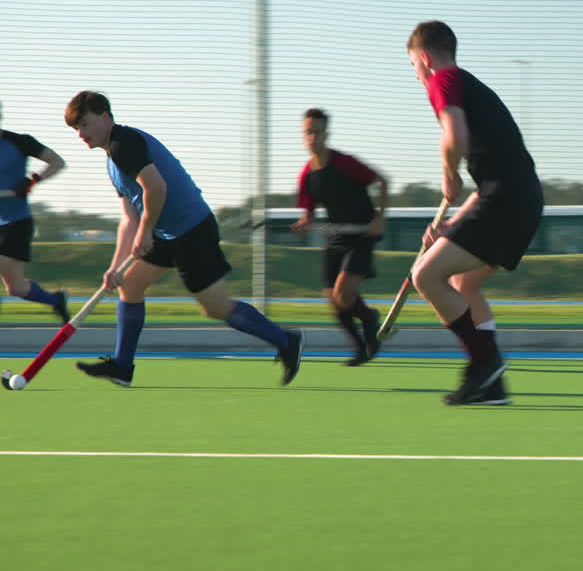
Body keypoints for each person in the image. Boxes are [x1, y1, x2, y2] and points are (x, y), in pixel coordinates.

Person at [64, 91, 304, 387]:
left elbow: (157, 188)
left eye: (84, 124)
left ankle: (286, 341)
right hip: (165, 232)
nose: (80, 134)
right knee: (130, 284)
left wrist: (146, 232)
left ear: (104, 116)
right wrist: (115, 267)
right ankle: (122, 366)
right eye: (76, 129)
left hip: (192, 230)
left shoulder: (124, 144)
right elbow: (129, 218)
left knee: (216, 308)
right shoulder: (112, 161)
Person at [406, 20, 543, 405]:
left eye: (413, 66)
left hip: (506, 200)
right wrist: (452, 224)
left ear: (425, 59)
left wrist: (448, 173)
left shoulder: (443, 80)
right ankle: (491, 386)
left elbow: (454, 137)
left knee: (425, 275)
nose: (415, 75)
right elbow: (488, 183)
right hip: (520, 199)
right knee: (464, 284)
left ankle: (485, 362)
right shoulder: (468, 84)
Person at [290, 108, 389, 366]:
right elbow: (309, 213)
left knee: (343, 294)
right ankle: (360, 347)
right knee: (334, 301)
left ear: (326, 134)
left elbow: (382, 181)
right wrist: (305, 222)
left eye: (317, 132)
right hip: (337, 237)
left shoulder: (345, 163)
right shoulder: (306, 175)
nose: (312, 137)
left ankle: (370, 318)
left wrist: (379, 218)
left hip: (363, 234)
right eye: (308, 132)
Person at [0, 100, 70, 323]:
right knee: (16, 289)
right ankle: (56, 300)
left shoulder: (20, 142)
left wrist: (34, 180)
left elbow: (57, 162)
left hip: (16, 224)